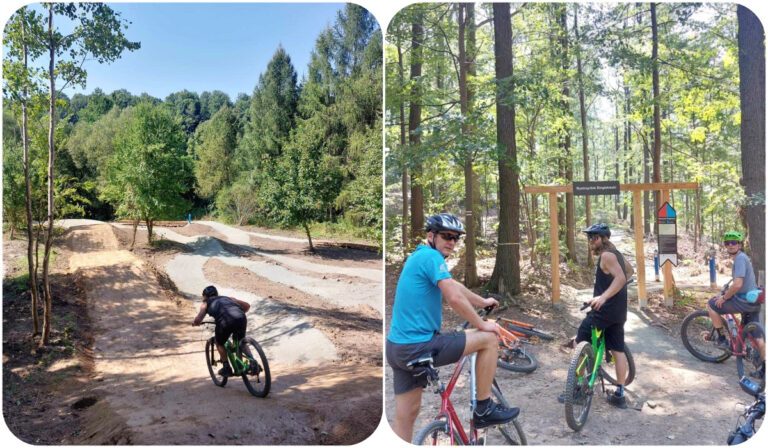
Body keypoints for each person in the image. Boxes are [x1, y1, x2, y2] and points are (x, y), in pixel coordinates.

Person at [386, 213, 519, 442]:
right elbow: (454, 298)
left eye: (456, 238)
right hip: (419, 345)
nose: (452, 242)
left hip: (397, 349)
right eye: (447, 236)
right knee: (488, 339)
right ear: (431, 235)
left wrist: (482, 302)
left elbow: (453, 284)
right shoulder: (431, 257)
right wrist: (483, 325)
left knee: (406, 415)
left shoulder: (420, 256)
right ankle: (484, 409)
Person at [560, 223, 634, 409]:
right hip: (618, 313)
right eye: (589, 237)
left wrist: (603, 296)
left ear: (604, 238)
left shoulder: (607, 256)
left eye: (594, 237)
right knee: (617, 350)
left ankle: (577, 391)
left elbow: (621, 278)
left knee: (580, 343)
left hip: (603, 312)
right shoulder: (616, 254)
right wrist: (613, 290)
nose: (590, 241)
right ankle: (620, 394)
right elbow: (629, 271)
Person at [707, 231, 764, 377]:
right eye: (727, 243)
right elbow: (737, 283)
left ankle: (721, 339)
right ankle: (764, 368)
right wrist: (723, 294)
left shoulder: (739, 259)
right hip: (751, 301)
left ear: (739, 244)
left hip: (743, 301)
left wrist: (724, 298)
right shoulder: (742, 258)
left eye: (734, 242)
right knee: (757, 336)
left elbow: (737, 285)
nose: (730, 245)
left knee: (712, 304)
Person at [193, 285, 252, 377]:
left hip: (225, 321)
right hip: (241, 317)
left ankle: (226, 367)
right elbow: (247, 306)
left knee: (219, 342)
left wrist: (196, 323)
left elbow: (198, 319)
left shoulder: (206, 304)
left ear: (205, 296)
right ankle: (253, 363)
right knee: (241, 342)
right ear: (216, 293)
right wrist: (235, 313)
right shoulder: (229, 298)